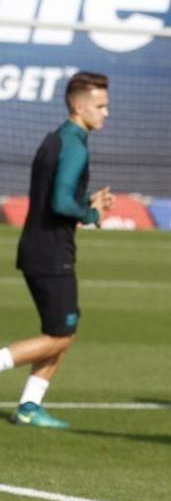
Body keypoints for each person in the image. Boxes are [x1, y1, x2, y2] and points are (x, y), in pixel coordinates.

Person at [1, 71, 114, 428]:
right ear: (79, 107)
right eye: (100, 106)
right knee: (59, 337)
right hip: (51, 254)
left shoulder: (57, 139)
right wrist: (92, 213)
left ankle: (30, 407)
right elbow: (62, 203)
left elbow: (57, 195)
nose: (106, 112)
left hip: (39, 248)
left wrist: (87, 201)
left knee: (63, 332)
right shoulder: (75, 146)